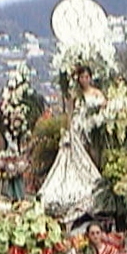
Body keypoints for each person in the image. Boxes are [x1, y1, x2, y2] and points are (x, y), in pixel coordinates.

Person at [38, 66, 106, 224]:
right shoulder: (76, 95)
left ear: (90, 78)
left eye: (87, 77)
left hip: (92, 128)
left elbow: (104, 106)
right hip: (78, 129)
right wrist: (70, 130)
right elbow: (70, 112)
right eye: (82, 77)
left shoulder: (96, 93)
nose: (84, 80)